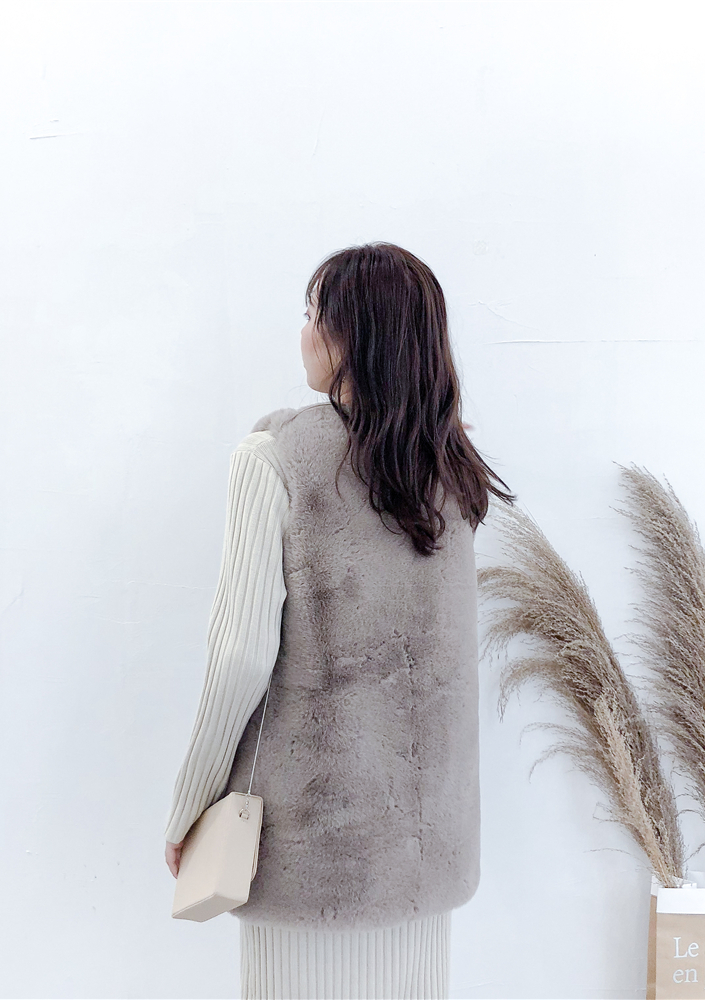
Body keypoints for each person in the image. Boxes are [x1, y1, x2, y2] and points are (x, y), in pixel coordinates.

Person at [164, 242, 514, 1000]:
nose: (302, 333)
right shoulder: (449, 467)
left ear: (349, 335)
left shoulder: (275, 457)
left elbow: (240, 654)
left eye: (311, 315)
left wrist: (190, 803)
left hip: (307, 843)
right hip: (427, 849)